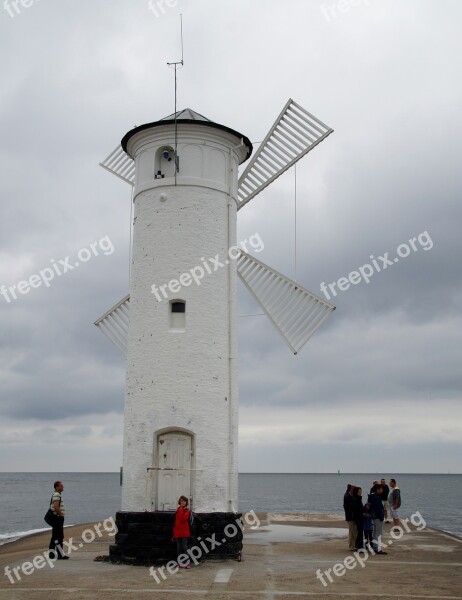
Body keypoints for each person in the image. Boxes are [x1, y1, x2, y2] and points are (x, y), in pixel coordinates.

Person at [48, 481, 69, 559]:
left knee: (55, 536)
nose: (63, 487)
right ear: (57, 487)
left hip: (57, 518)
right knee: (58, 537)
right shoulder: (56, 495)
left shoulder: (57, 495)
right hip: (57, 518)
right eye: (61, 486)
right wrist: (61, 515)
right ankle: (59, 555)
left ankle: (52, 554)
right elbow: (56, 506)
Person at [368, 483, 387, 555]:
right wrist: (381, 517)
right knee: (378, 534)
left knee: (375, 533)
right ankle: (378, 549)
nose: (382, 490)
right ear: (377, 489)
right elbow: (378, 508)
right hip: (378, 517)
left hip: (375, 517)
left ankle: (375, 547)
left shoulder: (372, 496)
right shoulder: (376, 497)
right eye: (381, 489)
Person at [173, 495, 191, 568]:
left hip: (184, 532)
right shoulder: (178, 510)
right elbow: (176, 522)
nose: (182, 502)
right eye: (181, 501)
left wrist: (180, 509)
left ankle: (187, 563)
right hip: (177, 532)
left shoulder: (187, 511)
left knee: (184, 547)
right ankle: (180, 563)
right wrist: (174, 533)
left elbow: (183, 519)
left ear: (186, 502)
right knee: (179, 548)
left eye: (184, 501)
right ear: (179, 502)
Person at [343, 484, 357, 551]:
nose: (354, 490)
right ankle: (351, 546)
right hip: (350, 516)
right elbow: (348, 507)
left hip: (353, 516)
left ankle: (353, 545)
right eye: (353, 488)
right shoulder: (347, 496)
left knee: (354, 531)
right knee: (352, 532)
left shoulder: (351, 495)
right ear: (350, 489)